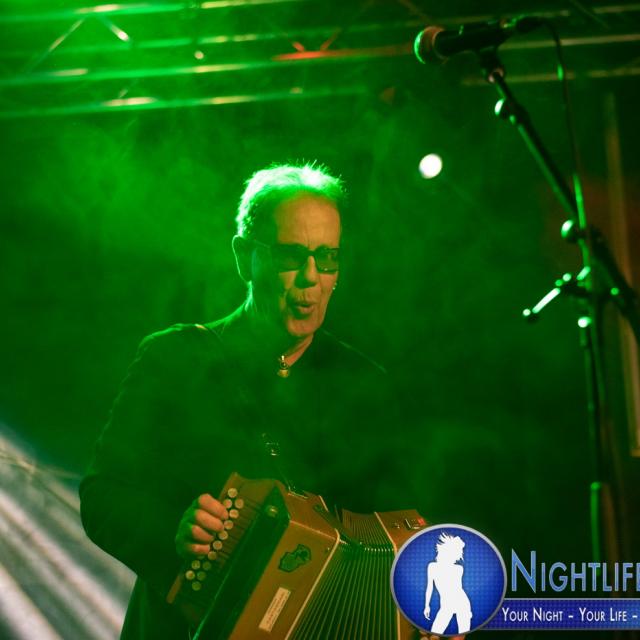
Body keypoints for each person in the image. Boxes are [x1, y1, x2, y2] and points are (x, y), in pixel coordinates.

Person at [80, 163, 403, 639]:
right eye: (291, 255)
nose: (311, 278)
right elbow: (102, 496)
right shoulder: (175, 357)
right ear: (243, 256)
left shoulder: (365, 383)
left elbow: (394, 524)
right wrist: (173, 532)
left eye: (328, 257)